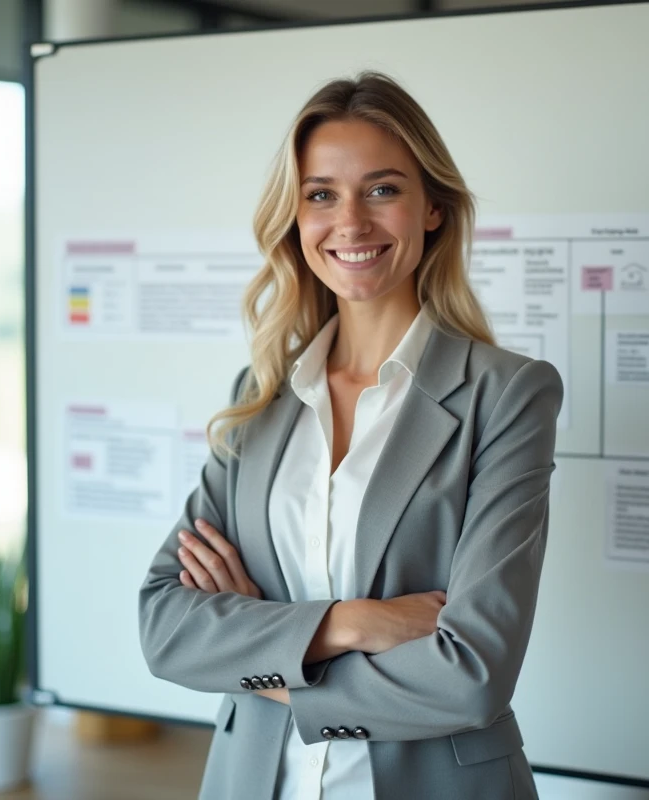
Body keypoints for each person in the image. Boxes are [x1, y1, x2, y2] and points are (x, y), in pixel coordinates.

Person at [139, 71, 562, 800]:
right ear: (295, 218)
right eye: (322, 194)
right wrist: (355, 623)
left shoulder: (507, 395)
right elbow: (168, 628)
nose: (351, 224)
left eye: (383, 189)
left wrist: (266, 648)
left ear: (433, 208)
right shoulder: (262, 397)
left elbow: (472, 677)